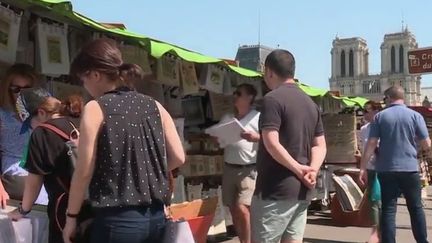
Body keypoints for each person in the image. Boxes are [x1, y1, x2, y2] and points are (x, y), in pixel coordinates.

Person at [62, 38, 185, 243]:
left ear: (95, 74)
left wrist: (71, 217)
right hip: (156, 218)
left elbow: (84, 170)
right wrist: (142, 175)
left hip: (117, 222)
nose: (85, 86)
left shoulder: (95, 108)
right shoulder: (155, 105)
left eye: (83, 80)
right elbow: (179, 157)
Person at [250, 49, 327, 243]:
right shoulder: (310, 103)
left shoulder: (272, 99)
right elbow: (320, 145)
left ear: (269, 71)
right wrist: (312, 170)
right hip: (302, 191)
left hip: (275, 190)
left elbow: (271, 141)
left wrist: (299, 169)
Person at [8, 89, 84, 243]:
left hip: (63, 211)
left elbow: (34, 182)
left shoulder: (42, 133)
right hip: (94, 208)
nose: (32, 128)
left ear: (41, 113)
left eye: (30, 123)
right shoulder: (80, 121)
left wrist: (23, 210)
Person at [360, 86, 430, 243]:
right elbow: (426, 143)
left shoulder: (380, 117)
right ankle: (422, 241)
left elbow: (371, 144)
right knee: (416, 208)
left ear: (389, 98)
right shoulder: (415, 116)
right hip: (410, 169)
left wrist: (363, 167)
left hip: (386, 169)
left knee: (389, 210)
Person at [0, 63, 48, 208]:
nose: (21, 94)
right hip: (15, 174)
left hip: (41, 173)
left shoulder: (42, 114)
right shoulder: (2, 115)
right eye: (16, 89)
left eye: (27, 89)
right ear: (8, 90)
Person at [219, 83, 260, 243]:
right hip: (229, 168)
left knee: (243, 209)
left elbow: (271, 140)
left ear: (249, 97)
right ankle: (244, 240)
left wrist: (255, 137)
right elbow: (221, 140)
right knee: (233, 209)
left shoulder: (258, 117)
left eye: (239, 93)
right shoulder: (229, 118)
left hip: (248, 170)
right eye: (234, 93)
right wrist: (218, 137)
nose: (235, 96)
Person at [359, 101, 382, 243]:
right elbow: (364, 148)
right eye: (364, 111)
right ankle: (376, 234)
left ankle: (378, 234)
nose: (364, 114)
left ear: (376, 111)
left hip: (384, 167)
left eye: (367, 111)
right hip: (370, 168)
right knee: (374, 199)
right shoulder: (364, 129)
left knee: (380, 201)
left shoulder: (383, 125)